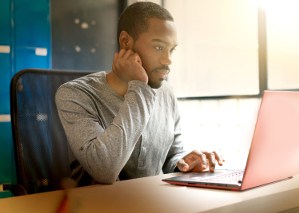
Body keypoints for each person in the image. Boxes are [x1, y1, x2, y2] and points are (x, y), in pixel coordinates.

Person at [55, 1, 224, 186]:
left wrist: (185, 163)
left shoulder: (166, 92)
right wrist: (139, 87)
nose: (168, 60)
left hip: (153, 201)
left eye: (172, 50)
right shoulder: (74, 94)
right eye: (159, 47)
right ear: (126, 42)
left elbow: (171, 156)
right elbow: (105, 170)